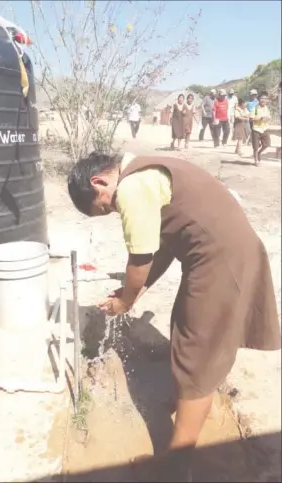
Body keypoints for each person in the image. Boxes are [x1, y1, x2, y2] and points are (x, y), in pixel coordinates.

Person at [67, 151, 280, 480]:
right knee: (189, 330)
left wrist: (125, 301)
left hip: (220, 262)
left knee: (196, 351)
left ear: (98, 182)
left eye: (105, 206)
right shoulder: (147, 170)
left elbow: (141, 254)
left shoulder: (132, 188)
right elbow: (163, 245)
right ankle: (193, 408)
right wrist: (134, 290)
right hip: (228, 254)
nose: (112, 209)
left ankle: (177, 464)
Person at [250, 91, 271, 167]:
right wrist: (260, 118)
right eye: (262, 98)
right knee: (255, 147)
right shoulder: (254, 109)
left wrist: (267, 118)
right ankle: (256, 161)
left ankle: (259, 153)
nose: (264, 100)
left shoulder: (266, 108)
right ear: (259, 99)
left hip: (265, 129)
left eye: (265, 98)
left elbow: (269, 117)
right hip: (256, 129)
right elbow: (251, 119)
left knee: (267, 144)